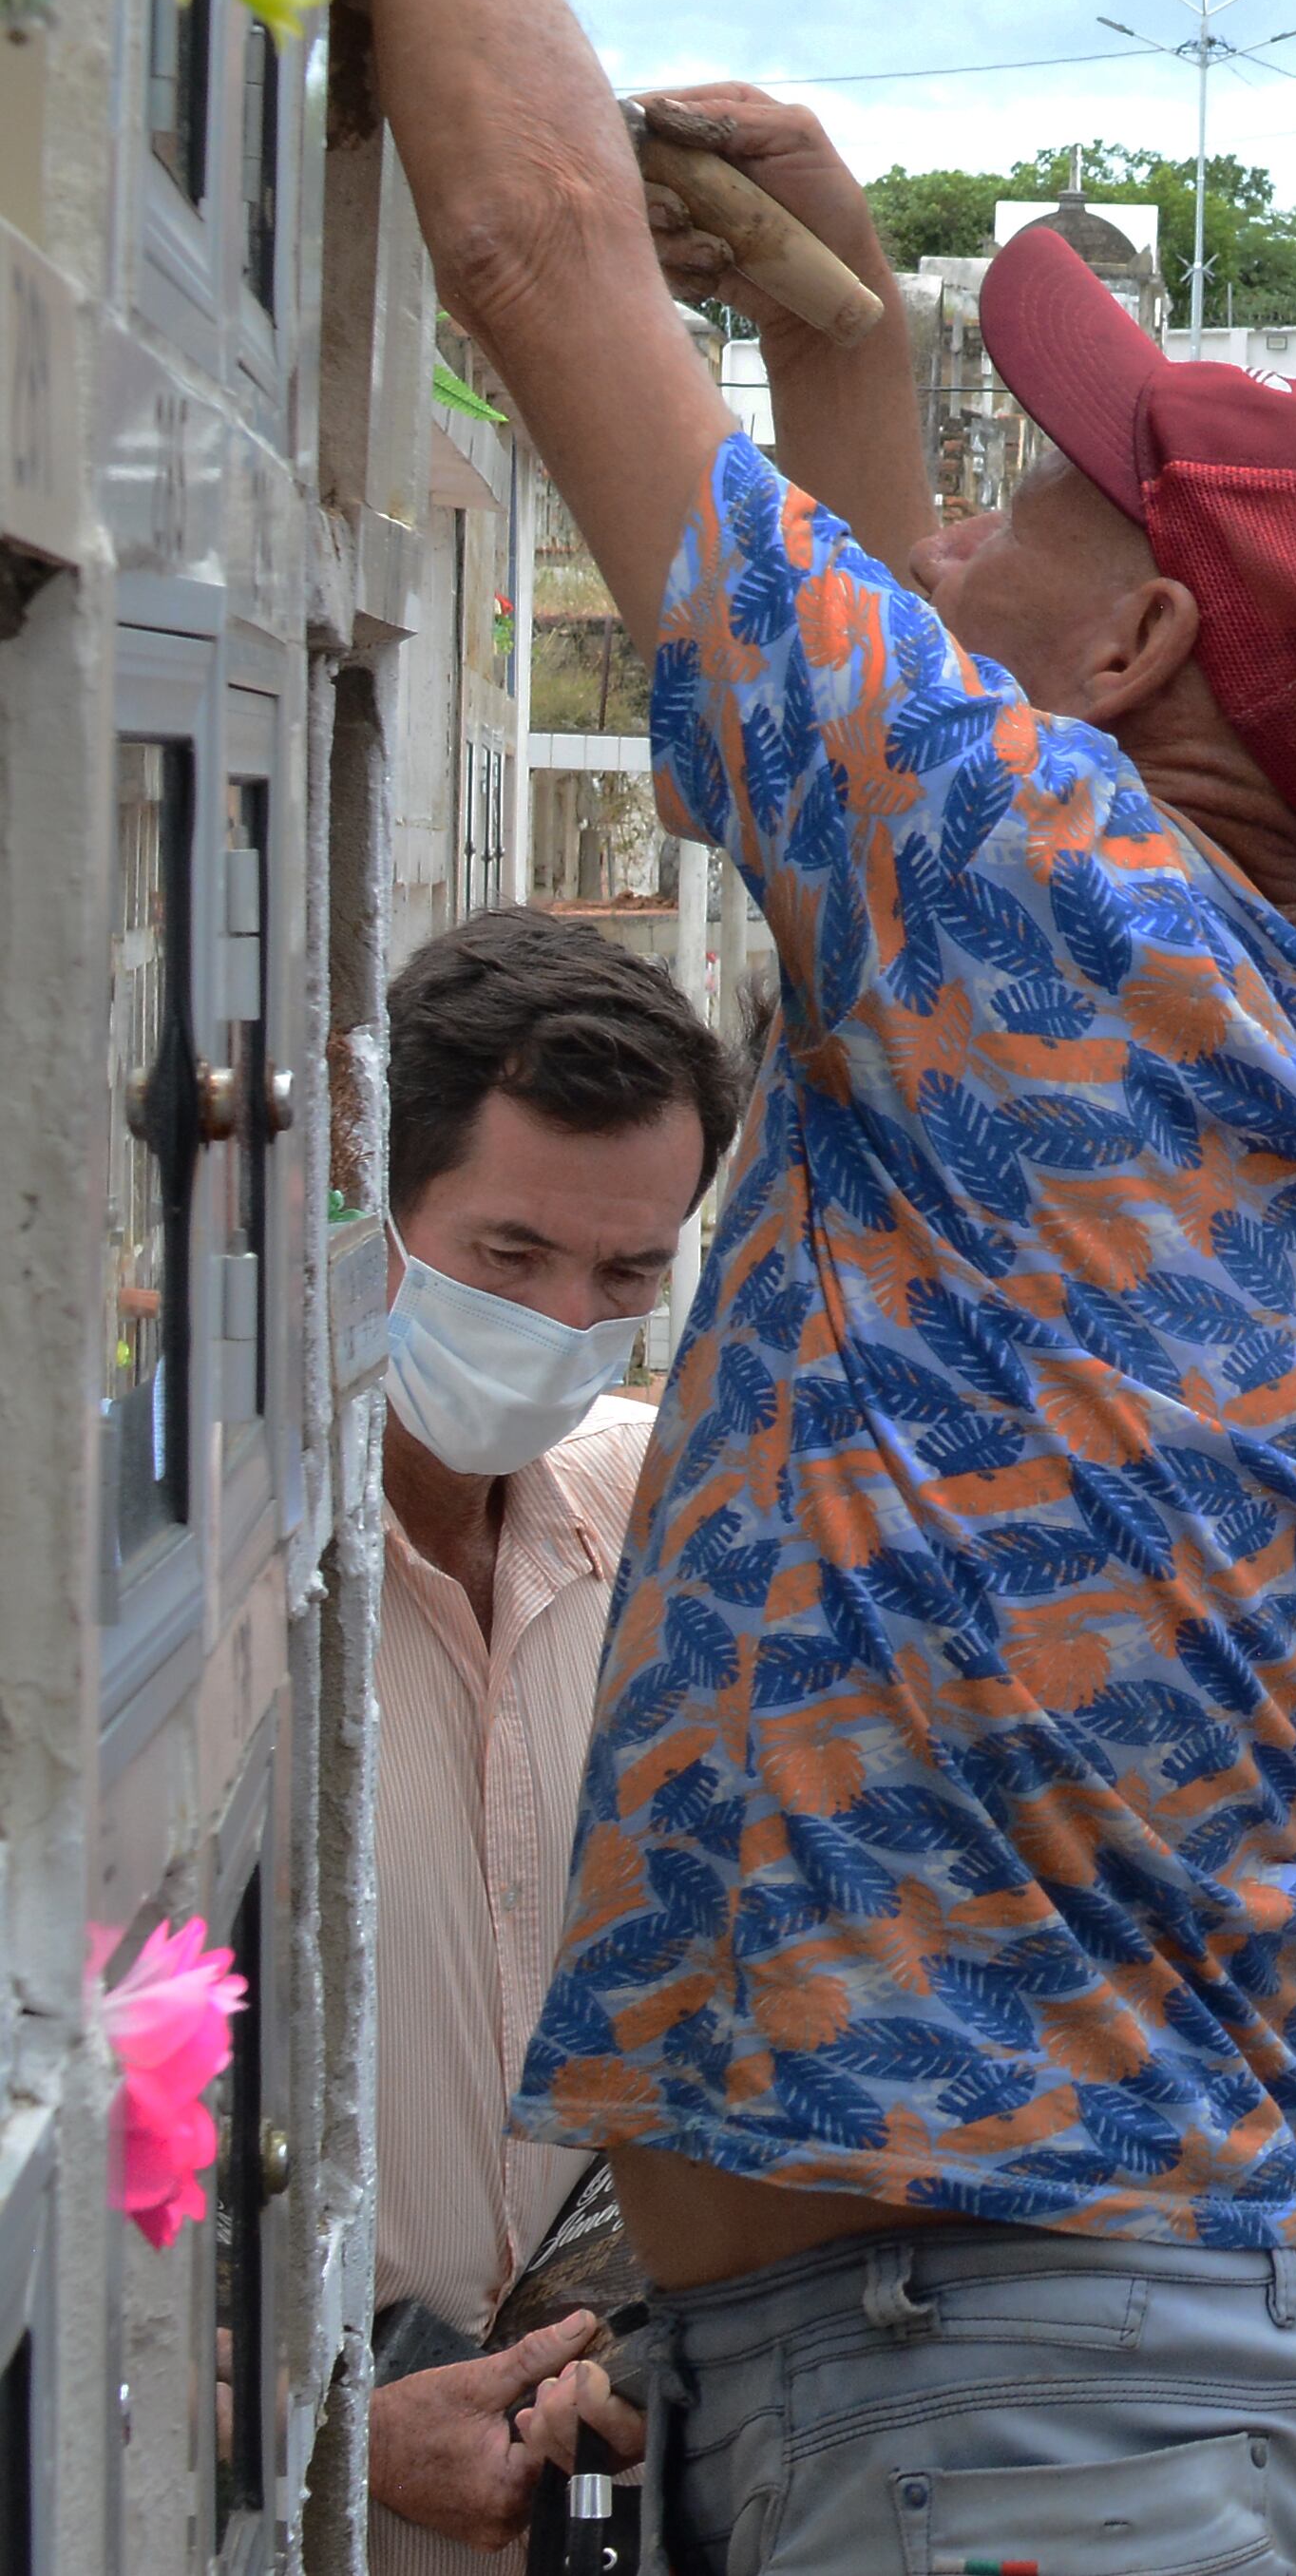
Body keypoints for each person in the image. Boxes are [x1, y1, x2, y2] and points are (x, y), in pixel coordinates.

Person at [344, 0, 1296, 2565]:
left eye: (1042, 496)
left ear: (1130, 643)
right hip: (1099, 2345)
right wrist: (848, 343)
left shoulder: (1035, 887)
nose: (958, 528)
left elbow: (524, 250)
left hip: (1023, 2401)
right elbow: (877, 802)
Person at [361, 910, 740, 2574]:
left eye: (627, 1274)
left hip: (575, 2480)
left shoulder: (658, 1517)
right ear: (368, 1215)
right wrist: (321, 2416)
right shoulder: (176, 1599)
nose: (565, 1319)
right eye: (507, 1260)